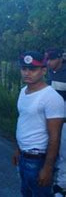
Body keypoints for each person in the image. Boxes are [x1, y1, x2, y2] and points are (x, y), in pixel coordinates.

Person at [13, 51, 65, 197]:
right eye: (24, 69)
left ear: (43, 70)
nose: (27, 73)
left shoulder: (51, 97)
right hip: (24, 157)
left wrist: (47, 168)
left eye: (33, 69)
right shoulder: (23, 92)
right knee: (25, 193)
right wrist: (18, 149)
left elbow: (55, 137)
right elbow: (23, 121)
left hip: (38, 160)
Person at [45, 48, 66, 196]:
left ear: (59, 58)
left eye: (51, 59)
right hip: (51, 119)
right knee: (52, 149)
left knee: (64, 153)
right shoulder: (51, 73)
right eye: (47, 59)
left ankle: (61, 186)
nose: (48, 62)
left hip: (65, 121)